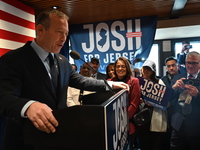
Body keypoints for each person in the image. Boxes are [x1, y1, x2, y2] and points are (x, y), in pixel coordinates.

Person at [0, 9, 129, 150]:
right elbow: (4, 97)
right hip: (24, 141)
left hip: (58, 137)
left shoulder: (62, 61)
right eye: (59, 32)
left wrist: (110, 84)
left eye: (66, 34)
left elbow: (81, 81)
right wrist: (28, 106)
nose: (64, 38)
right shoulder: (13, 60)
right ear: (41, 30)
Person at [107, 57, 141, 150]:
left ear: (127, 68)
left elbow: (134, 105)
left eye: (123, 66)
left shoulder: (134, 81)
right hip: (112, 127)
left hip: (128, 125)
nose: (120, 69)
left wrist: (121, 120)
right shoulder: (109, 82)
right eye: (118, 66)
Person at [170, 51, 200, 150]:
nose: (190, 66)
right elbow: (167, 98)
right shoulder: (177, 77)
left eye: (194, 63)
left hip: (197, 127)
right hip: (178, 126)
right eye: (188, 62)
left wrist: (197, 94)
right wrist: (174, 88)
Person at [137, 60, 168, 150]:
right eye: (145, 68)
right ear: (142, 69)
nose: (146, 71)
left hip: (156, 115)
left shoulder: (159, 82)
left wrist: (154, 102)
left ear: (153, 71)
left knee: (156, 144)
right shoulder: (137, 82)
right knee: (144, 143)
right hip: (142, 116)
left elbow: (165, 100)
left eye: (149, 69)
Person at [161, 56, 180, 149]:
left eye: (173, 65)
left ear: (178, 66)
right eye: (168, 66)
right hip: (168, 113)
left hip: (181, 112)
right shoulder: (163, 80)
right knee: (168, 137)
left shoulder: (184, 77)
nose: (171, 68)